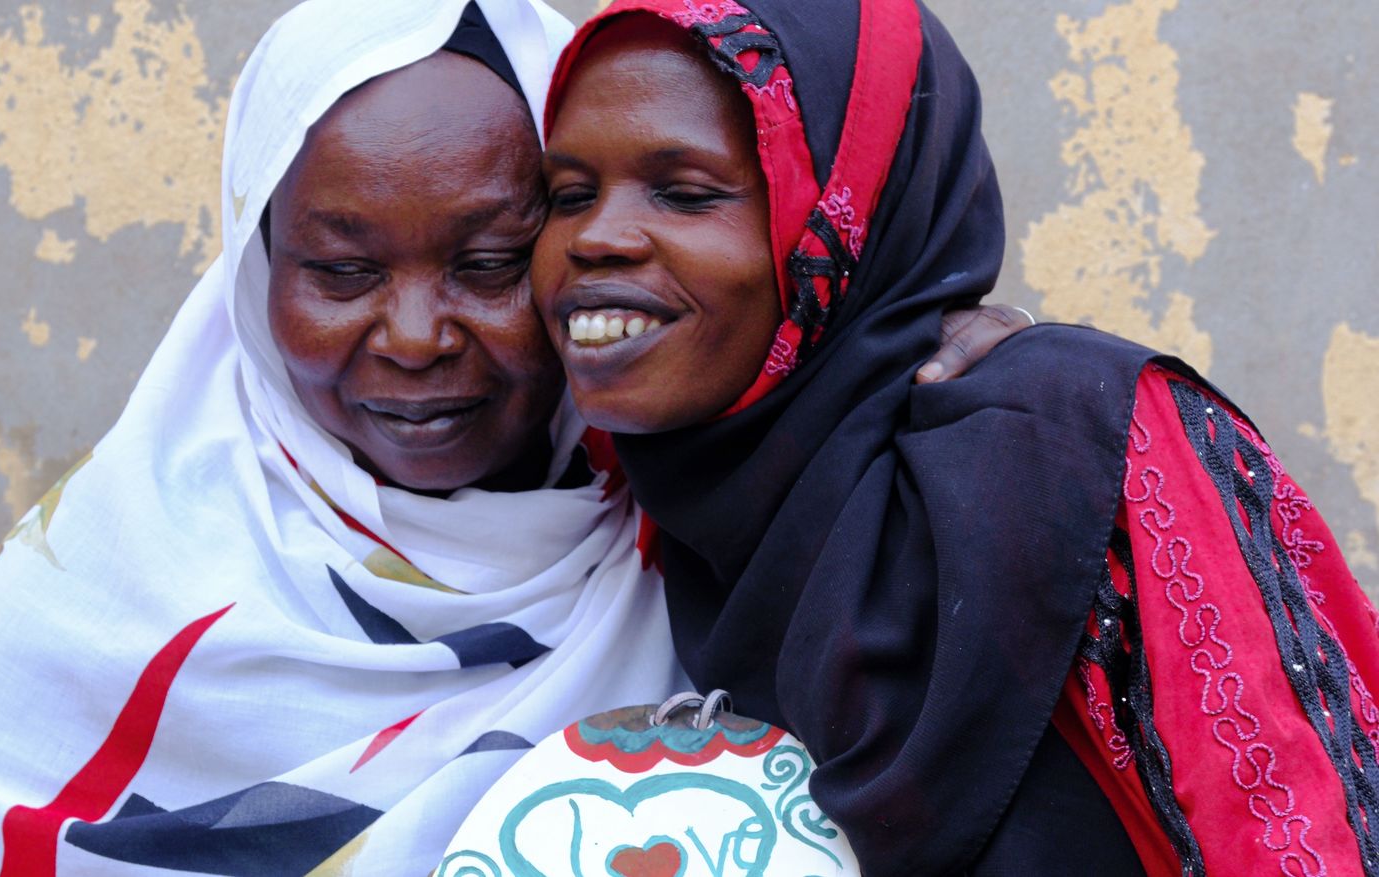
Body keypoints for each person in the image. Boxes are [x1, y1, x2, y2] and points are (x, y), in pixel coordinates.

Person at [0, 1, 1027, 873]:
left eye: (489, 263)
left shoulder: (729, 513)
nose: (416, 339)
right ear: (254, 272)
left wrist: (934, 371)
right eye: (341, 270)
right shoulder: (84, 615)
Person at [531, 1, 1379, 875]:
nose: (594, 237)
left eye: (685, 192)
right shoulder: (619, 512)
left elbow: (1307, 834)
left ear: (846, 212)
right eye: (566, 196)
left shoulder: (1076, 444)